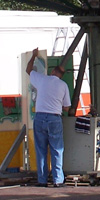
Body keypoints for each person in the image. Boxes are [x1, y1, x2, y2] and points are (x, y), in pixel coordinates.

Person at [26, 48, 71, 187]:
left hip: (40, 118)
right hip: (54, 119)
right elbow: (67, 107)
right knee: (57, 149)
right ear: (61, 75)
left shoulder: (42, 80)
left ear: (52, 72)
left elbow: (28, 70)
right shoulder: (63, 85)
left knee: (41, 150)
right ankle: (58, 180)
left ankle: (42, 180)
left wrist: (33, 56)